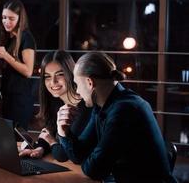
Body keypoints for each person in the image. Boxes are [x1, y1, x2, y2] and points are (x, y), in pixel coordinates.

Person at [57, 52, 177, 182]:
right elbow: (80, 155)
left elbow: (94, 170)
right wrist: (63, 132)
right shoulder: (103, 106)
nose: (77, 91)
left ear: (90, 83)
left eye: (77, 85)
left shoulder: (124, 110)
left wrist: (92, 156)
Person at [19, 50, 92, 162]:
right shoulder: (56, 102)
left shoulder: (85, 107)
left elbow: (63, 154)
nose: (53, 82)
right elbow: (50, 132)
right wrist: (41, 148)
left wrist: (52, 141)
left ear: (71, 74)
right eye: (47, 77)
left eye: (60, 75)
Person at [0, 0, 36, 130]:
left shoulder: (27, 37)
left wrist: (5, 55)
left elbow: (28, 71)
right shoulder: (9, 39)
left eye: (11, 18)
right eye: (4, 17)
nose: (6, 22)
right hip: (8, 96)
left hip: (20, 98)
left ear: (20, 19)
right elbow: (2, 71)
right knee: (8, 139)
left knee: (17, 140)